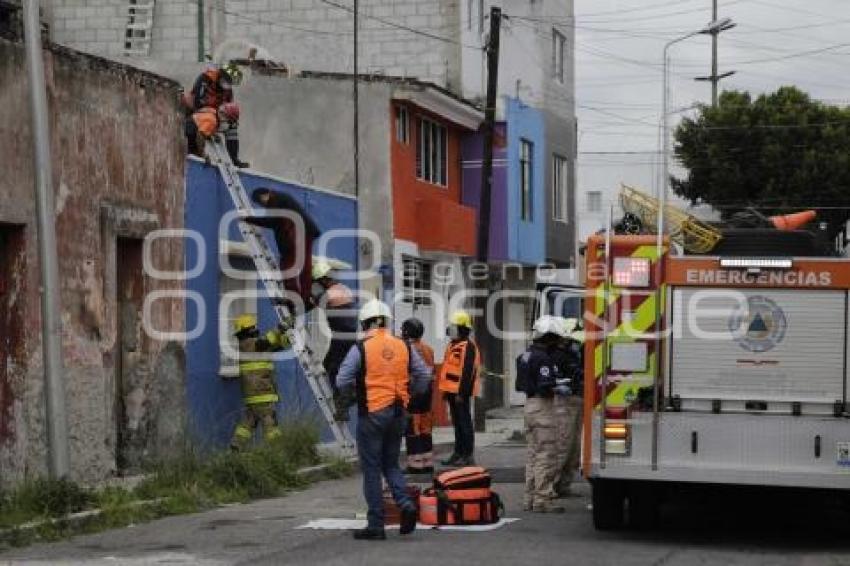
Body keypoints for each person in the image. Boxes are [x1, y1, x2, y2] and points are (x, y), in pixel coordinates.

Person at [335, 299, 433, 540]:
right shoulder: (403, 346)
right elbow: (423, 375)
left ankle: (376, 525)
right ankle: (405, 504)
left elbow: (341, 379)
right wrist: (411, 395)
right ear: (387, 321)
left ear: (365, 322)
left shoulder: (361, 347)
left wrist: (351, 396)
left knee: (372, 469)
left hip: (372, 414)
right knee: (391, 464)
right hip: (399, 413)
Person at [516, 315, 568, 513]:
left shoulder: (525, 355)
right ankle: (543, 499)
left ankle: (529, 498)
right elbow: (545, 386)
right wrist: (558, 386)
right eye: (556, 338)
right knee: (546, 454)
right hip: (542, 407)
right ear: (548, 337)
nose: (557, 343)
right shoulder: (543, 358)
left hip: (529, 405)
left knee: (533, 454)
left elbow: (520, 384)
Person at [228, 314, 289, 450]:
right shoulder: (249, 344)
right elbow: (266, 341)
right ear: (249, 330)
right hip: (261, 392)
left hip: (252, 394)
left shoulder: (251, 346)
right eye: (254, 327)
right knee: (269, 420)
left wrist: (286, 336)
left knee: (249, 421)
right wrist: (280, 329)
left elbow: (276, 345)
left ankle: (236, 446)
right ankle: (278, 450)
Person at [311, 259, 359, 419]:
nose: (319, 285)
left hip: (342, 337)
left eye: (319, 282)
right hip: (350, 337)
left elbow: (314, 302)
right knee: (341, 368)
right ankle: (347, 398)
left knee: (332, 368)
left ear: (325, 279)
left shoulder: (330, 293)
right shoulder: (344, 289)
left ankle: (344, 404)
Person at [438, 310, 480, 467]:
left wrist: (461, 393)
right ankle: (458, 452)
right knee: (457, 424)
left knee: (464, 423)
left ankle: (467, 455)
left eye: (455, 327)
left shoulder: (468, 347)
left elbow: (468, 372)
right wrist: (446, 392)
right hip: (451, 392)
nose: (451, 330)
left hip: (460, 393)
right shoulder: (452, 345)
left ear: (463, 329)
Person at [551, 317, 585, 497]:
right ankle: (551, 485)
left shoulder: (578, 353)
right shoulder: (557, 355)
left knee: (574, 448)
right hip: (564, 402)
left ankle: (564, 485)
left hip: (578, 400)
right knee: (562, 444)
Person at [401, 318, 436, 474]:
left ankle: (415, 465)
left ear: (407, 331)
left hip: (413, 393)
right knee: (425, 428)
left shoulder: (406, 349)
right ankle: (428, 462)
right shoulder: (429, 349)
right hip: (427, 393)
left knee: (413, 428)